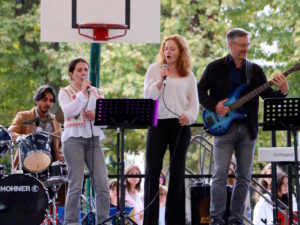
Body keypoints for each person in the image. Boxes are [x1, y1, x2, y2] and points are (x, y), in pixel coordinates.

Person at [197, 28, 289, 225]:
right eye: (242, 45)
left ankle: (236, 219)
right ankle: (217, 219)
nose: (246, 49)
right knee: (220, 175)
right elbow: (200, 91)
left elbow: (268, 96)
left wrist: (283, 91)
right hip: (223, 129)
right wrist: (216, 106)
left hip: (248, 129)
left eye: (247, 45)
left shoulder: (255, 70)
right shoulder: (214, 67)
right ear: (230, 45)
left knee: (244, 177)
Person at [143, 34, 199, 225]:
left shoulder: (188, 75)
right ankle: (149, 221)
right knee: (152, 170)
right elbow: (148, 96)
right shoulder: (154, 70)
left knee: (177, 172)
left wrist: (189, 117)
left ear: (181, 51)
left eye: (172, 48)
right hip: (157, 123)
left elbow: (194, 105)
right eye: (166, 48)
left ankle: (175, 220)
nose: (168, 51)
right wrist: (160, 80)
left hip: (180, 125)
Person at [58, 58, 109, 225]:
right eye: (79, 70)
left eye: (85, 69)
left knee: (102, 182)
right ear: (71, 74)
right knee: (76, 183)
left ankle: (104, 221)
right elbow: (68, 112)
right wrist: (81, 94)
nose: (83, 73)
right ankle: (71, 221)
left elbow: (107, 120)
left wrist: (98, 116)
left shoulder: (97, 92)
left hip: (94, 139)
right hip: (73, 140)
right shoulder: (65, 92)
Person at [8, 85, 64, 169]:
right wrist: (22, 138)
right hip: (25, 164)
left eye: (51, 101)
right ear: (36, 100)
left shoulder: (55, 120)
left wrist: (60, 153)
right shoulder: (23, 116)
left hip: (50, 166)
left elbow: (60, 143)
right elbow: (10, 133)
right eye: (44, 100)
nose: (48, 103)